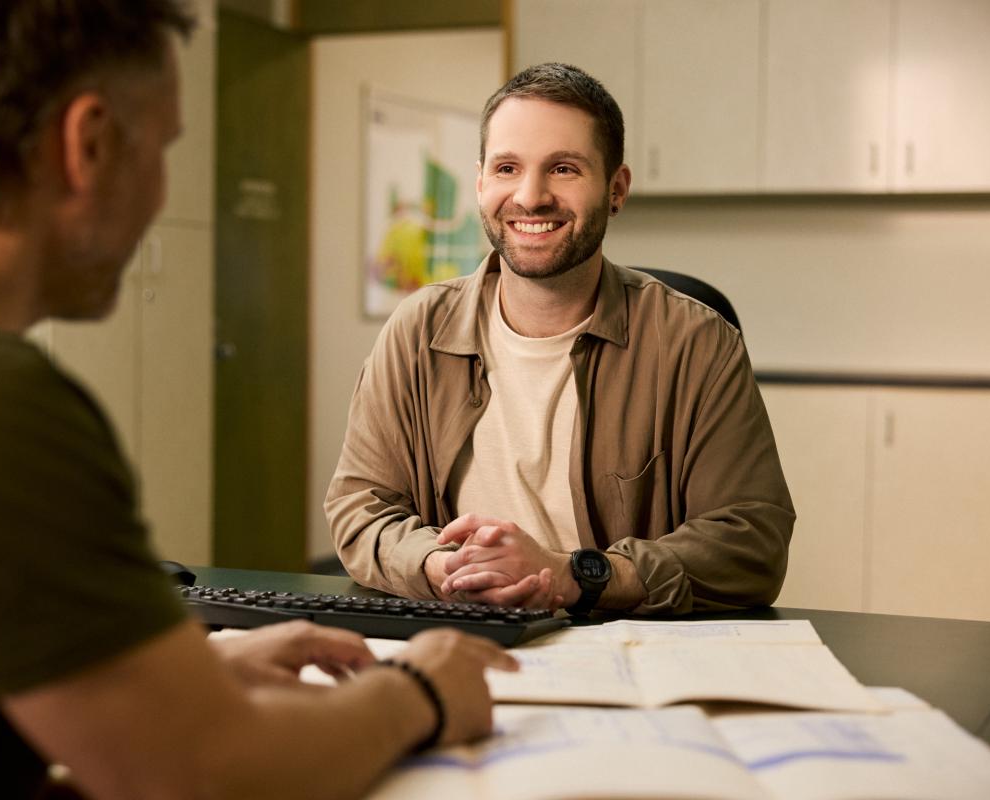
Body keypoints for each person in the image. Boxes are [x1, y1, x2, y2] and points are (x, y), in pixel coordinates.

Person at [0, 2, 516, 798]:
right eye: (163, 149)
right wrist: (420, 691)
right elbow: (206, 772)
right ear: (89, 144)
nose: (160, 193)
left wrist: (182, 671)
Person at [326, 63, 795, 616]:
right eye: (507, 168)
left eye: (564, 168)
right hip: (463, 634)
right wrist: (442, 567)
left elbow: (751, 542)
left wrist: (573, 576)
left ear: (616, 190)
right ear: (480, 183)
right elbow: (361, 508)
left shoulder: (696, 343)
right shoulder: (417, 332)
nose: (531, 197)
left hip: (624, 645)